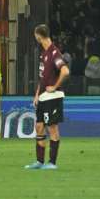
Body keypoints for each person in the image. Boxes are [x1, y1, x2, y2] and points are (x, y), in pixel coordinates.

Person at [25, 24, 70, 170]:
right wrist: (37, 95)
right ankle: (39, 161)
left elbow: (65, 71)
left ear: (38, 36)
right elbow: (42, 78)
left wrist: (55, 87)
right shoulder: (44, 54)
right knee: (39, 126)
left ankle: (52, 162)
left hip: (53, 97)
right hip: (44, 97)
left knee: (52, 128)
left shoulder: (54, 53)